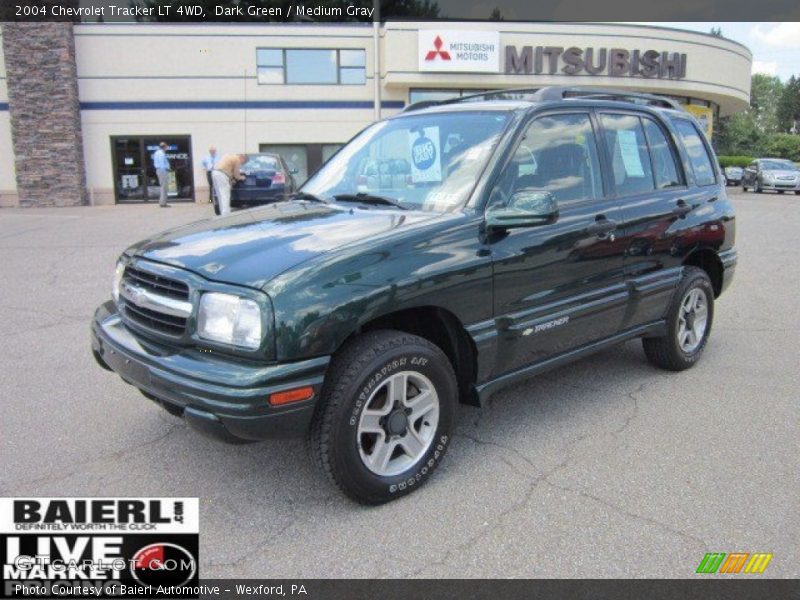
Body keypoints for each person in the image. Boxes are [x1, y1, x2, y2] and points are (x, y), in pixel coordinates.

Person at [152, 142, 171, 208]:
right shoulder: (160, 153)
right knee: (164, 187)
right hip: (162, 171)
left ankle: (163, 202)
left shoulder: (158, 152)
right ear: (164, 147)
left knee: (163, 186)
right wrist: (166, 169)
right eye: (166, 147)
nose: (167, 148)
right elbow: (161, 163)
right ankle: (163, 203)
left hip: (161, 170)